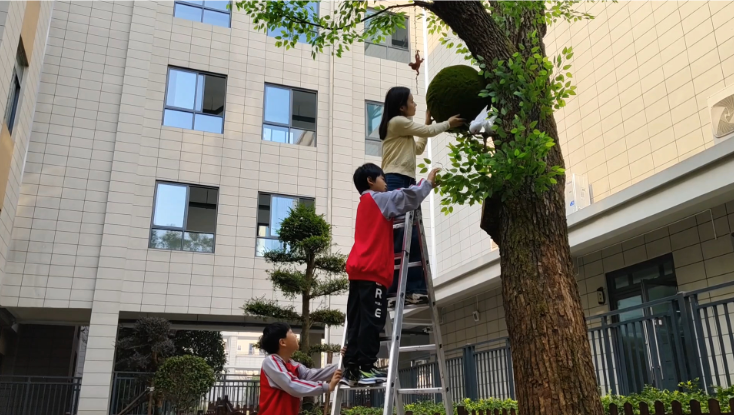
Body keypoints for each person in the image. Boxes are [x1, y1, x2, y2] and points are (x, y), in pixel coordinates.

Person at [342, 163, 441, 386]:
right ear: (370, 181)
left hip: (357, 270)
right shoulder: (379, 199)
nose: (386, 183)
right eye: (382, 178)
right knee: (372, 320)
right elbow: (407, 197)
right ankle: (366, 367)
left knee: (356, 321)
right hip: (372, 271)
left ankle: (351, 369)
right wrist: (428, 183)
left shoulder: (364, 204)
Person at [379, 87, 464, 306]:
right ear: (401, 107)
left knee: (411, 235)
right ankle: (399, 290)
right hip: (396, 180)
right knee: (403, 237)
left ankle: (409, 290)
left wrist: (427, 125)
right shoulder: (397, 122)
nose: (415, 105)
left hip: (404, 180)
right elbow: (427, 133)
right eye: (412, 101)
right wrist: (448, 124)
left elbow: (417, 148)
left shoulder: (401, 128)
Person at [258, 322, 342, 415]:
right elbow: (291, 384)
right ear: (282, 342)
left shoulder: (293, 364)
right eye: (291, 333)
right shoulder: (270, 361)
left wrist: (344, 362)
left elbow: (312, 375)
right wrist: (326, 387)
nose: (295, 336)